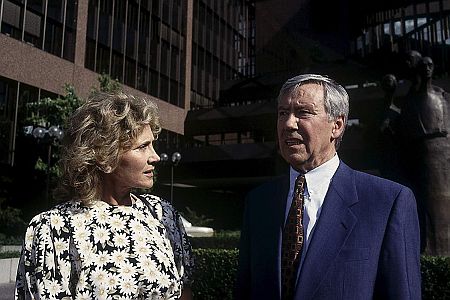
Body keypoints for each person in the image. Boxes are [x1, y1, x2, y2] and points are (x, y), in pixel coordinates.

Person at [235, 74, 421, 299]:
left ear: (337, 126)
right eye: (283, 113)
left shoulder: (387, 202)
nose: (288, 123)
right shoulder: (258, 202)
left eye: (303, 112)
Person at [15, 92, 194, 299]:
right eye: (143, 146)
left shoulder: (163, 215)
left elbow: (184, 291)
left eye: (152, 145)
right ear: (104, 155)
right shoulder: (54, 228)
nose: (155, 157)